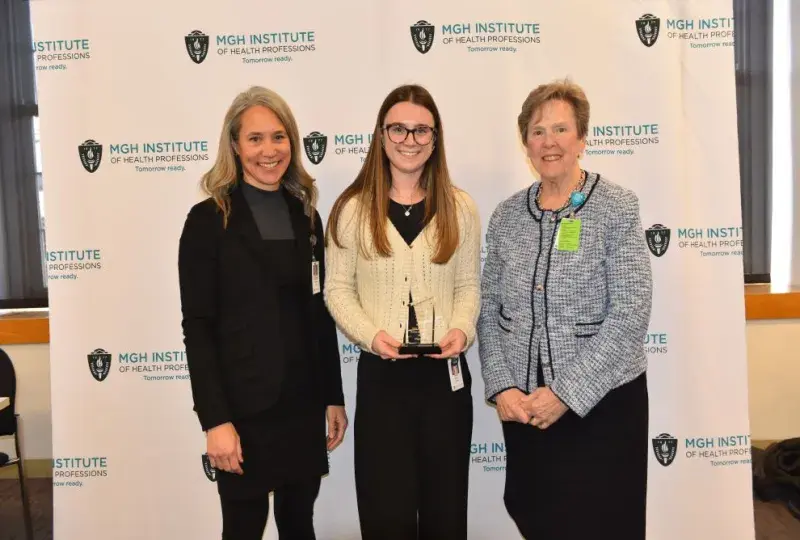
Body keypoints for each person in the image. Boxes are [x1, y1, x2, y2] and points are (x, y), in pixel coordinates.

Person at [477, 78, 653, 540]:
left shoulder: (616, 207)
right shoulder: (506, 216)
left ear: (582, 138)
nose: (549, 141)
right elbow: (488, 308)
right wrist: (502, 385)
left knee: (602, 524)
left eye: (560, 129)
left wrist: (566, 394)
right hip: (526, 408)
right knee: (538, 518)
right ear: (526, 143)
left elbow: (631, 311)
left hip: (603, 408)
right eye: (538, 131)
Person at [177, 86, 348, 540]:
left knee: (299, 524)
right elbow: (198, 328)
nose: (268, 150)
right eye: (255, 139)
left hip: (301, 403)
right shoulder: (207, 220)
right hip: (242, 410)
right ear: (235, 145)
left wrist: (332, 395)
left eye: (278, 136)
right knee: (243, 528)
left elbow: (318, 313)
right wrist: (215, 421)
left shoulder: (306, 216)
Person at [324, 84, 481, 540]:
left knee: (445, 516)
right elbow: (337, 290)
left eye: (421, 130)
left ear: (435, 138)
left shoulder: (460, 208)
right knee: (385, 515)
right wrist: (371, 336)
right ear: (380, 135)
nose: (409, 140)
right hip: (383, 381)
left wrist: (461, 329)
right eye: (398, 129)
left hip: (445, 383)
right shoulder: (351, 210)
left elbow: (469, 286)